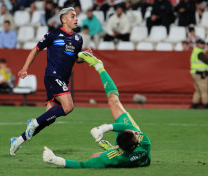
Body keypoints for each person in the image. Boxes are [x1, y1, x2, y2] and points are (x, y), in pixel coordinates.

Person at [43, 51, 151, 168]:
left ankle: (112, 147)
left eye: (134, 134)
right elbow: (128, 128)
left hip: (121, 152)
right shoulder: (144, 142)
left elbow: (83, 165)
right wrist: (105, 129)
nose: (136, 132)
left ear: (123, 148)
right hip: (127, 152)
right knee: (114, 102)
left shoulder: (114, 158)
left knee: (95, 157)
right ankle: (99, 66)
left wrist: (54, 159)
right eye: (135, 133)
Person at [10, 7, 86, 155]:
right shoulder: (53, 35)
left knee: (48, 118)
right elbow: (36, 49)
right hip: (53, 76)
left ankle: (17, 141)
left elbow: (75, 59)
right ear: (64, 19)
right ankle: (34, 123)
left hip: (63, 80)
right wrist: (25, 68)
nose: (76, 19)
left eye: (76, 16)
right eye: (72, 16)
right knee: (69, 106)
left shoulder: (78, 39)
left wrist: (84, 58)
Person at [190, 39, 208, 109]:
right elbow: (206, 61)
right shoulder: (200, 52)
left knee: (198, 90)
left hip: (195, 73)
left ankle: (194, 104)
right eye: (201, 44)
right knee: (203, 90)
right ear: (197, 44)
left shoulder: (196, 51)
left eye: (203, 44)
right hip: (201, 74)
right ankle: (206, 104)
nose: (203, 45)